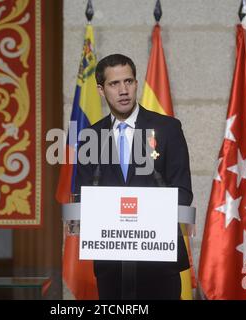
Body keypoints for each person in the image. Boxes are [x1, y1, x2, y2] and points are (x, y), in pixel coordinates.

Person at [75, 54, 193, 300]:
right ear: (100, 89)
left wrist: (139, 215)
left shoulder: (168, 128)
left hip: (159, 263)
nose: (123, 90)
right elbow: (83, 197)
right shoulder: (90, 136)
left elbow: (183, 193)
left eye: (128, 81)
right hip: (112, 265)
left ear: (137, 84)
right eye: (114, 84)